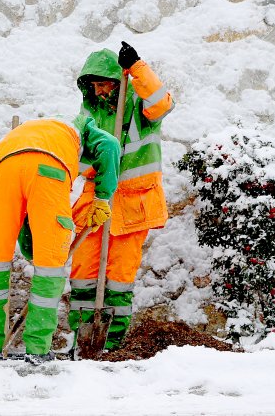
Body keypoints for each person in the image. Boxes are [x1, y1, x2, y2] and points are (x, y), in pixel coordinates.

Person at [0, 115, 120, 363]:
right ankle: (38, 350)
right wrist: (102, 198)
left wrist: (31, 248)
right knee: (50, 267)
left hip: (3, 169)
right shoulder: (82, 132)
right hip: (48, 169)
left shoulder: (37, 130)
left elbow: (25, 222)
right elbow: (111, 145)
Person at [68, 41, 174, 351]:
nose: (101, 91)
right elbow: (77, 153)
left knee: (119, 278)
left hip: (133, 204)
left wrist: (138, 67)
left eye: (105, 83)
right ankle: (82, 342)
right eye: (96, 85)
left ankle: (111, 345)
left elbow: (162, 102)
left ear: (117, 81)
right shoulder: (89, 114)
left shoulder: (141, 108)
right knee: (83, 274)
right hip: (96, 200)